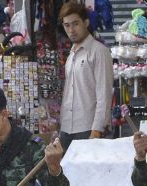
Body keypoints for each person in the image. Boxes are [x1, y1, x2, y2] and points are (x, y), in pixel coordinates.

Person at [58, 1, 113, 152]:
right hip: (67, 129)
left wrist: (97, 130)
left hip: (88, 128)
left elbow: (104, 94)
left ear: (86, 23)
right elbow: (68, 94)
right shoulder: (71, 54)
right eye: (67, 25)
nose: (71, 30)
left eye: (75, 24)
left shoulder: (99, 51)